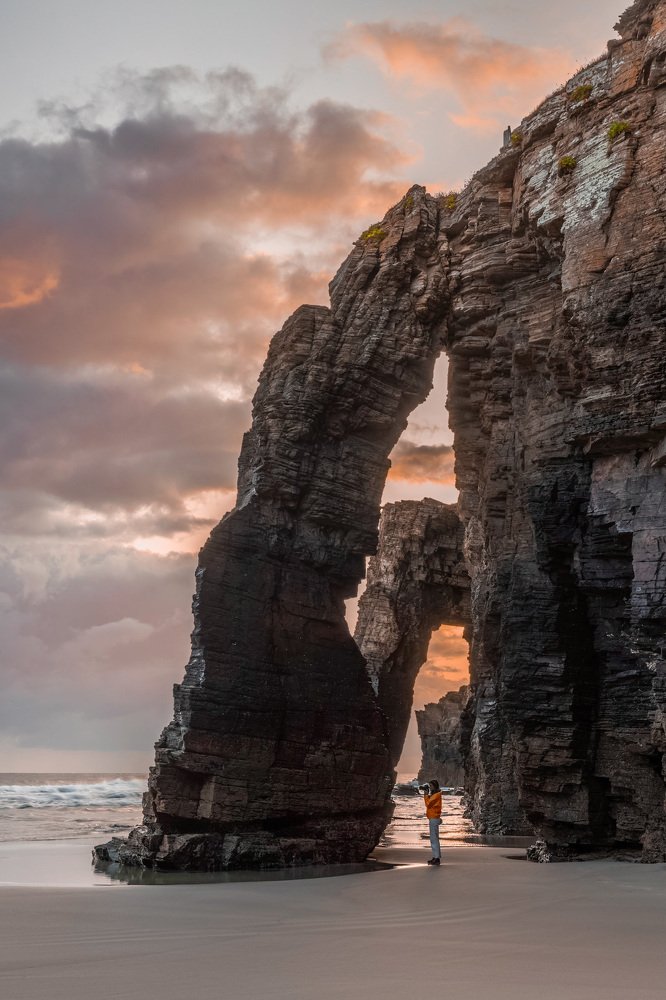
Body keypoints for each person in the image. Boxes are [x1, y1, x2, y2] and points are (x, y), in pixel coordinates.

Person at [423, 779, 442, 866]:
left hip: (434, 818)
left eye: (431, 786)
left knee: (434, 839)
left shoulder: (436, 795)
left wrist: (426, 795)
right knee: (434, 839)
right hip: (433, 818)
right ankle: (435, 857)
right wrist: (427, 794)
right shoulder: (436, 794)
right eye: (429, 786)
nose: (430, 788)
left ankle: (436, 858)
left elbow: (428, 804)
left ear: (435, 786)